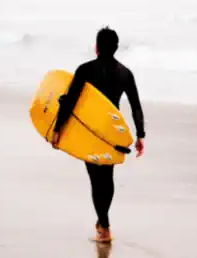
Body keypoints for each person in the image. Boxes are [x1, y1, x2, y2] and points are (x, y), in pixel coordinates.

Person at [50, 26, 146, 242]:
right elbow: (136, 106)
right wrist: (140, 135)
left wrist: (57, 129)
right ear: (116, 48)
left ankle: (104, 225)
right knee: (107, 178)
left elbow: (70, 100)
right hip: (111, 132)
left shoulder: (85, 70)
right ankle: (103, 223)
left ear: (96, 47)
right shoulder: (125, 73)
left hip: (90, 131)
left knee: (96, 180)